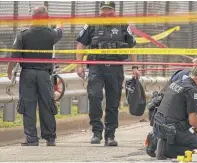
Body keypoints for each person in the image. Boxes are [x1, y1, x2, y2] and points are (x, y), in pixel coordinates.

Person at [75, 1, 140, 146]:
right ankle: (96, 132)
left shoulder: (123, 24)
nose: (106, 12)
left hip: (115, 68)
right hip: (96, 67)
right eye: (103, 9)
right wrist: (78, 65)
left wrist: (135, 66)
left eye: (109, 9)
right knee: (95, 96)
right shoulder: (91, 24)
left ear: (114, 11)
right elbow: (80, 44)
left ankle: (110, 135)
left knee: (113, 101)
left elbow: (132, 46)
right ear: (100, 10)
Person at [7, 6, 63, 146]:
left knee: (28, 105)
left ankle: (31, 139)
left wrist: (9, 72)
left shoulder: (23, 35)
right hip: (44, 75)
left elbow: (14, 56)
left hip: (28, 74)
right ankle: (50, 138)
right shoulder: (51, 34)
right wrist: (60, 24)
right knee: (46, 104)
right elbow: (60, 31)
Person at [145, 56, 197, 157]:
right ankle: (165, 149)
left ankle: (157, 140)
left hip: (158, 122)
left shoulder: (179, 82)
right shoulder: (192, 90)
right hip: (172, 126)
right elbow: (193, 121)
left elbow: (190, 104)